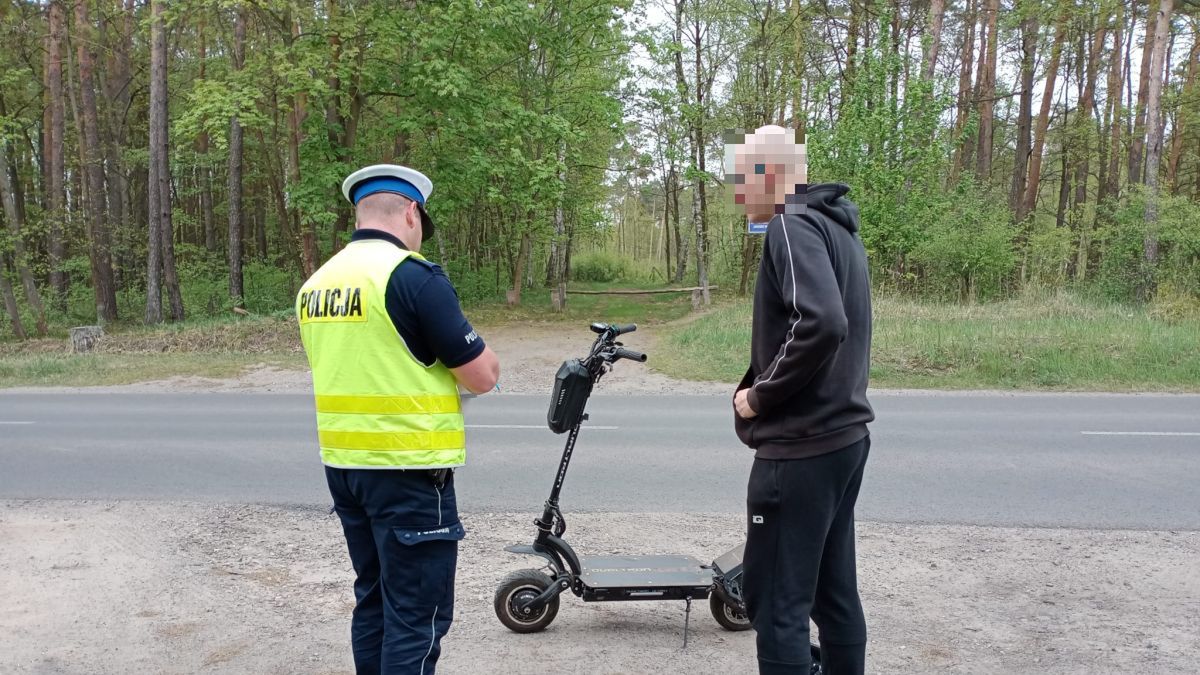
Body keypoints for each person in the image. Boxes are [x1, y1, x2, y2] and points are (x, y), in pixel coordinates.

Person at [296, 164, 500, 674]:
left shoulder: (318, 284)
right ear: (411, 211)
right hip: (409, 470)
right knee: (416, 616)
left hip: (345, 467)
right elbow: (482, 376)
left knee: (375, 602)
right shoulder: (411, 276)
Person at [727, 126, 875, 675]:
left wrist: (760, 397)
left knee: (776, 603)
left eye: (742, 181)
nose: (740, 195)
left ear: (771, 174)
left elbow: (822, 322)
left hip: (801, 447)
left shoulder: (791, 224)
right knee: (833, 595)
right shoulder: (839, 229)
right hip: (844, 439)